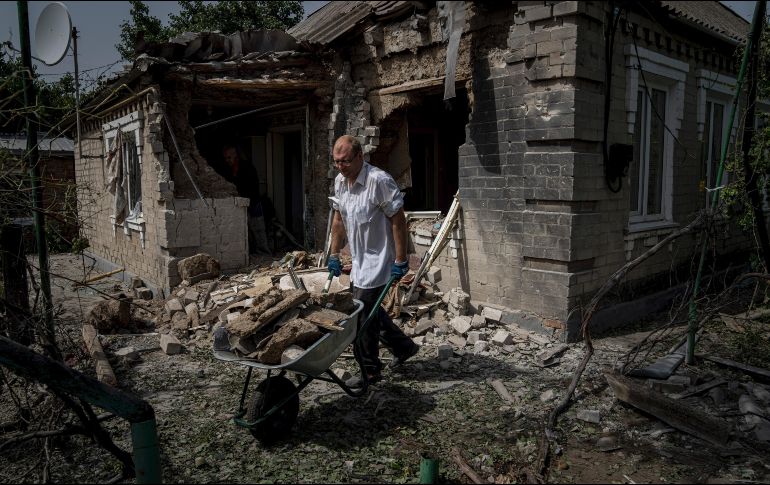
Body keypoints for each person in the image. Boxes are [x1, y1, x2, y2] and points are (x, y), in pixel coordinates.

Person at [328, 135, 420, 388]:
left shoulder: (378, 181)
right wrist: (334, 254)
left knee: (361, 316)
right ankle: (404, 347)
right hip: (358, 259)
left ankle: (370, 371)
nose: (340, 167)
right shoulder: (340, 182)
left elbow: (398, 220)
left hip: (379, 260)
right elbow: (338, 220)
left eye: (345, 161)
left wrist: (401, 260)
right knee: (370, 310)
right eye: (336, 162)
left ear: (360, 157)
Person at [220, 143, 270, 255]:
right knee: (245, 231)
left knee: (258, 230)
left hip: (253, 202)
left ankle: (265, 253)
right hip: (241, 204)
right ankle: (252, 253)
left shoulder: (247, 167)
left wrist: (248, 201)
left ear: (235, 155)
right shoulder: (229, 170)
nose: (227, 160)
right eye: (226, 158)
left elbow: (252, 187)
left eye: (229, 157)